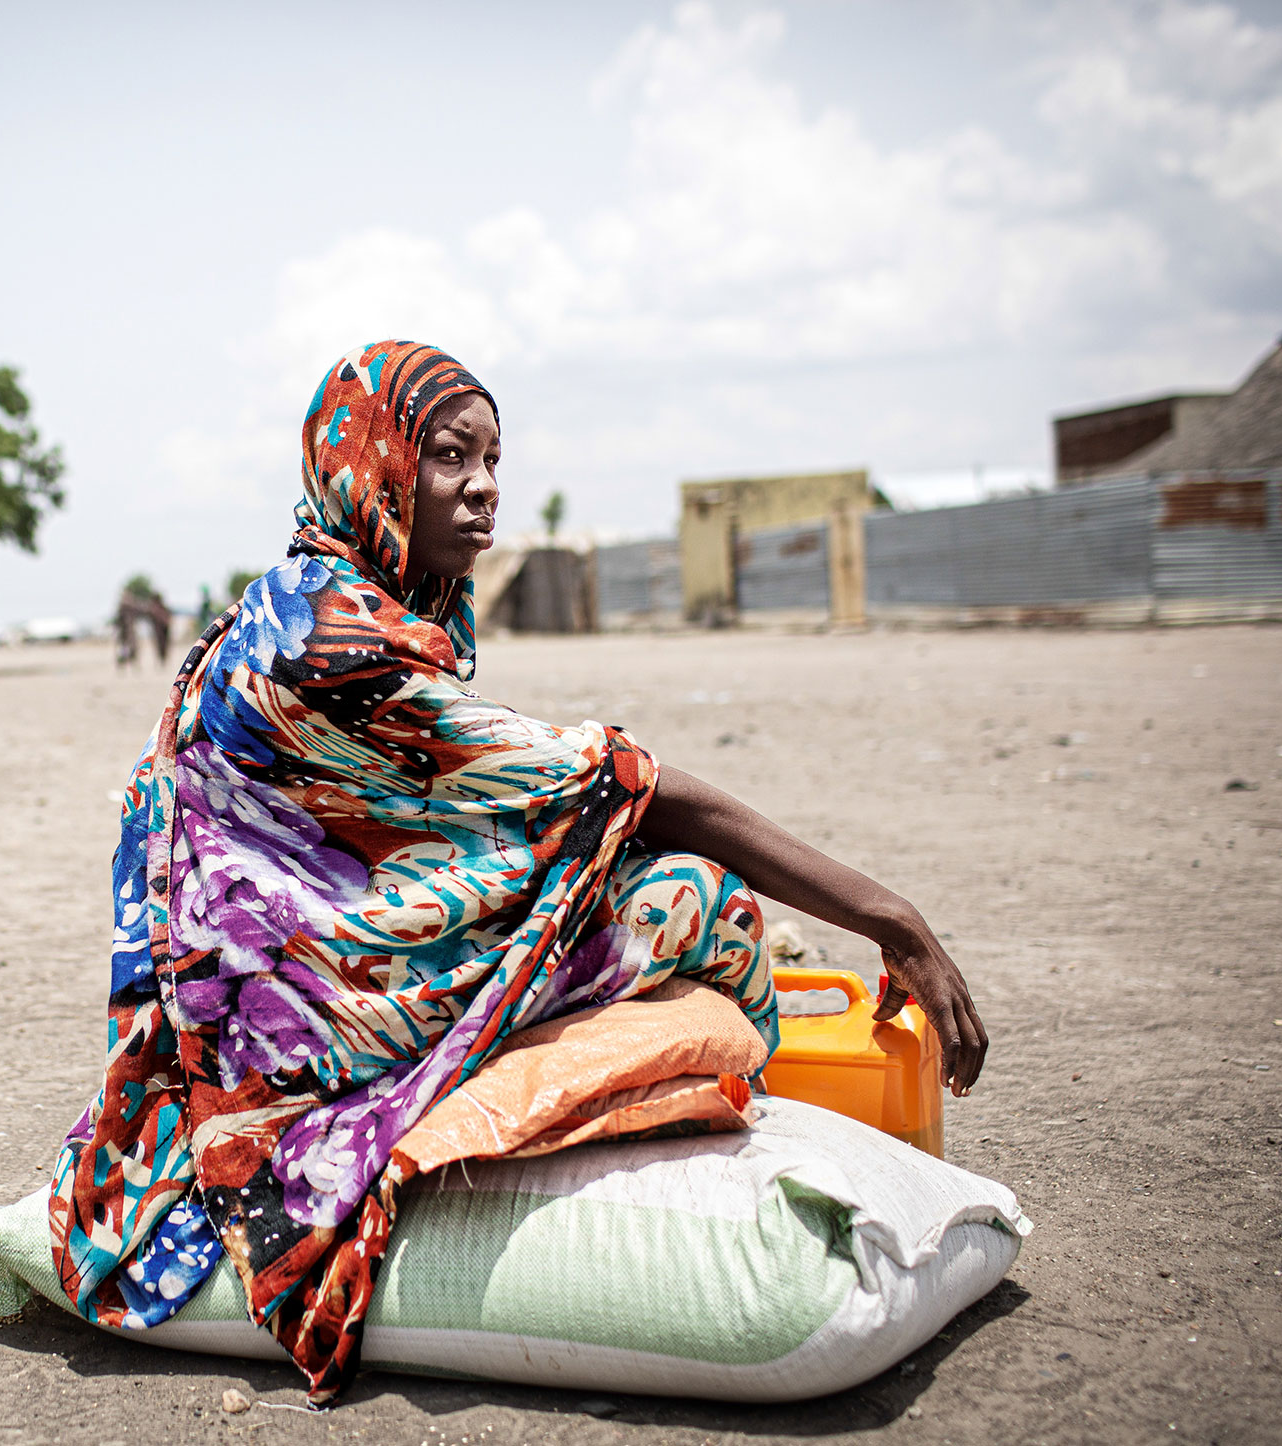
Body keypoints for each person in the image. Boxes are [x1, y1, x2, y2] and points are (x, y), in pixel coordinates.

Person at [48, 341, 987, 1404]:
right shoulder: (330, 640)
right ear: (375, 464)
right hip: (309, 1020)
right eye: (451, 456)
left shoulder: (325, 598)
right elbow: (622, 783)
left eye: (494, 457)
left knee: (614, 866)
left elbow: (474, 815)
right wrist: (889, 917)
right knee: (704, 903)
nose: (485, 486)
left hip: (287, 972)